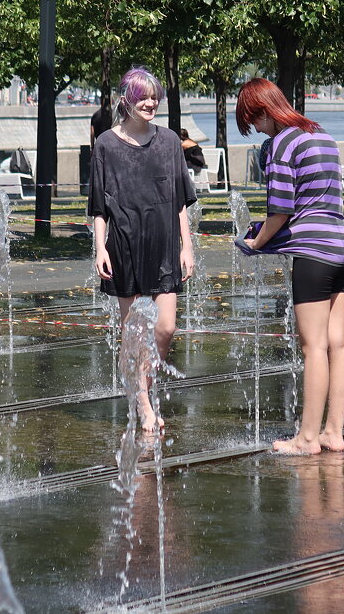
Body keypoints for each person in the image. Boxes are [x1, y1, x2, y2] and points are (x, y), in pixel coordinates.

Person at [235, 77, 344, 455]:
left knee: (313, 347)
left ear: (264, 111)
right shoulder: (320, 135)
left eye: (252, 120)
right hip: (342, 248)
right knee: (339, 343)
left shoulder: (281, 144)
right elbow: (319, 204)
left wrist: (255, 241)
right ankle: (333, 433)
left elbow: (282, 210)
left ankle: (306, 438)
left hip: (314, 256)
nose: (254, 128)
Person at [88, 67, 196, 431]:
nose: (150, 103)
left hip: (164, 243)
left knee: (165, 327)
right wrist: (99, 248)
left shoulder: (168, 142)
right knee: (132, 330)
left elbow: (181, 200)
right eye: (143, 97)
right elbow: (99, 206)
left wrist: (188, 246)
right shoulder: (106, 144)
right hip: (123, 245)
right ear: (127, 101)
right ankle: (143, 403)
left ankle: (143, 390)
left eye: (154, 97)